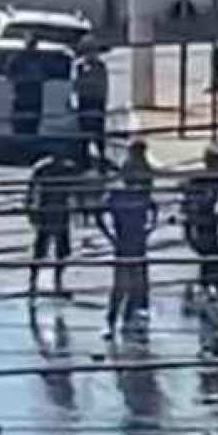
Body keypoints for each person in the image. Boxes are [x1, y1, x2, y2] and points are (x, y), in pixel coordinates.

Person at [98, 171, 158, 339]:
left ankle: (130, 319)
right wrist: (110, 236)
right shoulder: (117, 196)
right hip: (123, 245)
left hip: (138, 244)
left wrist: (150, 227)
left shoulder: (141, 196)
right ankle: (112, 321)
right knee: (120, 286)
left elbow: (154, 207)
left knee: (138, 285)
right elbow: (99, 212)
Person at [26, 152, 81, 301]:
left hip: (58, 212)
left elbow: (76, 191)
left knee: (58, 249)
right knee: (43, 248)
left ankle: (54, 282)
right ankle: (36, 282)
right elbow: (32, 188)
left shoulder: (62, 170)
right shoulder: (48, 169)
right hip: (51, 211)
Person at [71, 39, 108, 167]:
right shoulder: (79, 67)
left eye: (94, 51)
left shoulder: (100, 66)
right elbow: (75, 86)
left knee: (98, 133)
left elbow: (102, 86)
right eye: (89, 52)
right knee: (83, 133)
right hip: (84, 103)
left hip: (97, 103)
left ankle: (101, 156)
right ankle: (83, 159)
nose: (92, 55)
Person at [7, 32, 49, 138]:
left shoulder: (41, 58)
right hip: (21, 96)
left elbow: (47, 74)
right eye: (30, 43)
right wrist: (21, 79)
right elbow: (9, 74)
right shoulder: (17, 58)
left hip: (36, 97)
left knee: (33, 124)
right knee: (20, 124)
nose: (31, 46)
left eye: (33, 43)